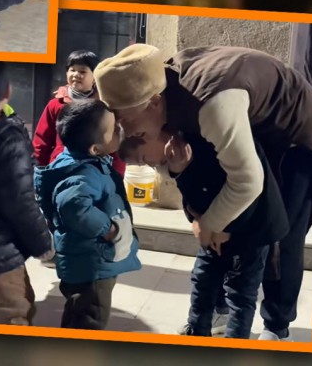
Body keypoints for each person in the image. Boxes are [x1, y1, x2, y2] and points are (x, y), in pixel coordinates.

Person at [95, 43, 312, 341]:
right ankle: (218, 310)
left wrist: (207, 225)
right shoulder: (161, 92)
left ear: (153, 103)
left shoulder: (212, 103)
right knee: (220, 217)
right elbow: (179, 166)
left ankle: (276, 328)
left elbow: (247, 182)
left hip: (295, 141)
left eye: (126, 119)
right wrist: (184, 180)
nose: (123, 126)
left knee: (279, 237)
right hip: (255, 134)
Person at [123, 132, 288, 338]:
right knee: (203, 280)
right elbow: (193, 197)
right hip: (212, 228)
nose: (147, 164)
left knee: (240, 292)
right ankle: (197, 329)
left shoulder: (211, 140)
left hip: (252, 229)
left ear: (149, 135)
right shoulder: (177, 156)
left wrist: (224, 229)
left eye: (142, 158)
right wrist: (198, 219)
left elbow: (248, 191)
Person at [35, 99, 141, 330]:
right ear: (95, 148)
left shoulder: (81, 161)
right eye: (114, 129)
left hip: (89, 259)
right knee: (89, 316)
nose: (120, 130)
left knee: (80, 310)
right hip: (91, 262)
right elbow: (74, 207)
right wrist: (108, 229)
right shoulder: (83, 173)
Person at [0, 63, 54, 325]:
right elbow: (20, 201)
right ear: (7, 92)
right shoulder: (6, 136)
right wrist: (43, 244)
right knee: (11, 316)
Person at [32, 50, 126, 177]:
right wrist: (39, 173)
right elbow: (42, 142)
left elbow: (114, 143)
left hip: (96, 171)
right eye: (72, 70)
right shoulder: (56, 105)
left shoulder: (105, 106)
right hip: (59, 169)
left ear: (95, 77)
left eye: (82, 71)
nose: (76, 75)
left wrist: (117, 177)